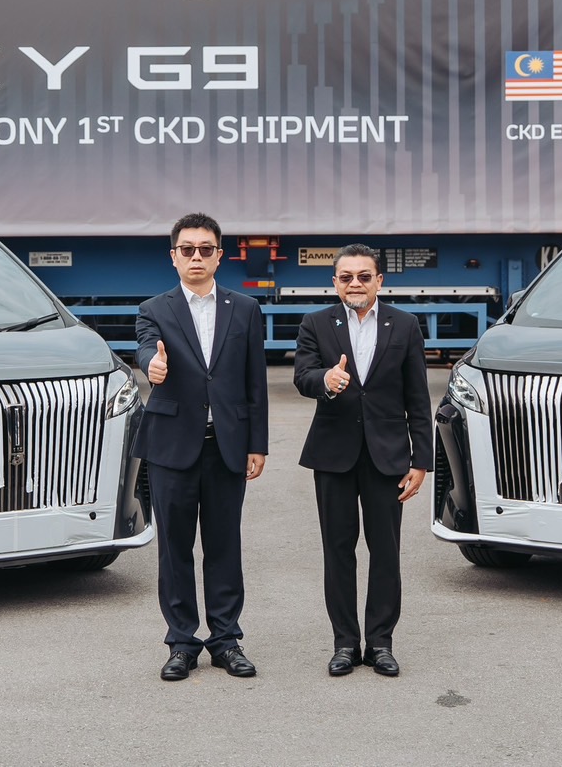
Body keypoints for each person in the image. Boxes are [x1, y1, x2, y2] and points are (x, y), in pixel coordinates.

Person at [134, 213, 269, 681]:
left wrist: (257, 443)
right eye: (187, 249)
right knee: (174, 549)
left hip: (226, 446)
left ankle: (226, 640)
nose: (196, 256)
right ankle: (181, 643)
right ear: (173, 257)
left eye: (205, 249)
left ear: (219, 256)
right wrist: (152, 365)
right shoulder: (154, 308)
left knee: (224, 545)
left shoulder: (245, 309)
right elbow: (146, 348)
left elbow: (255, 381)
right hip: (171, 447)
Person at [293, 243, 431, 677]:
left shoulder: (404, 325)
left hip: (388, 456)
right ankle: (345, 644)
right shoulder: (316, 323)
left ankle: (381, 643)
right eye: (346, 277)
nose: (355, 283)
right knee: (338, 551)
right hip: (333, 455)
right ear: (334, 282)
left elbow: (418, 397)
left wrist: (421, 460)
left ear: (379, 281)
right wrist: (326, 379)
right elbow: (302, 376)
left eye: (364, 276)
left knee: (385, 551)